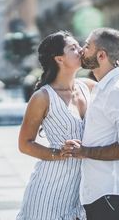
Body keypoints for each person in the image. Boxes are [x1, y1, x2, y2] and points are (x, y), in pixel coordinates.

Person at [16, 31, 94, 220]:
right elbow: (24, 144)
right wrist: (57, 153)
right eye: (73, 48)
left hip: (81, 192)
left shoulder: (88, 87)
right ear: (59, 58)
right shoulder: (43, 97)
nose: (81, 50)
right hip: (49, 189)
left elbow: (118, 93)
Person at [71, 27, 119, 220]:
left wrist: (85, 152)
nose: (81, 50)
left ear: (101, 55)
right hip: (101, 195)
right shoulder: (103, 87)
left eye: (86, 46)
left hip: (112, 196)